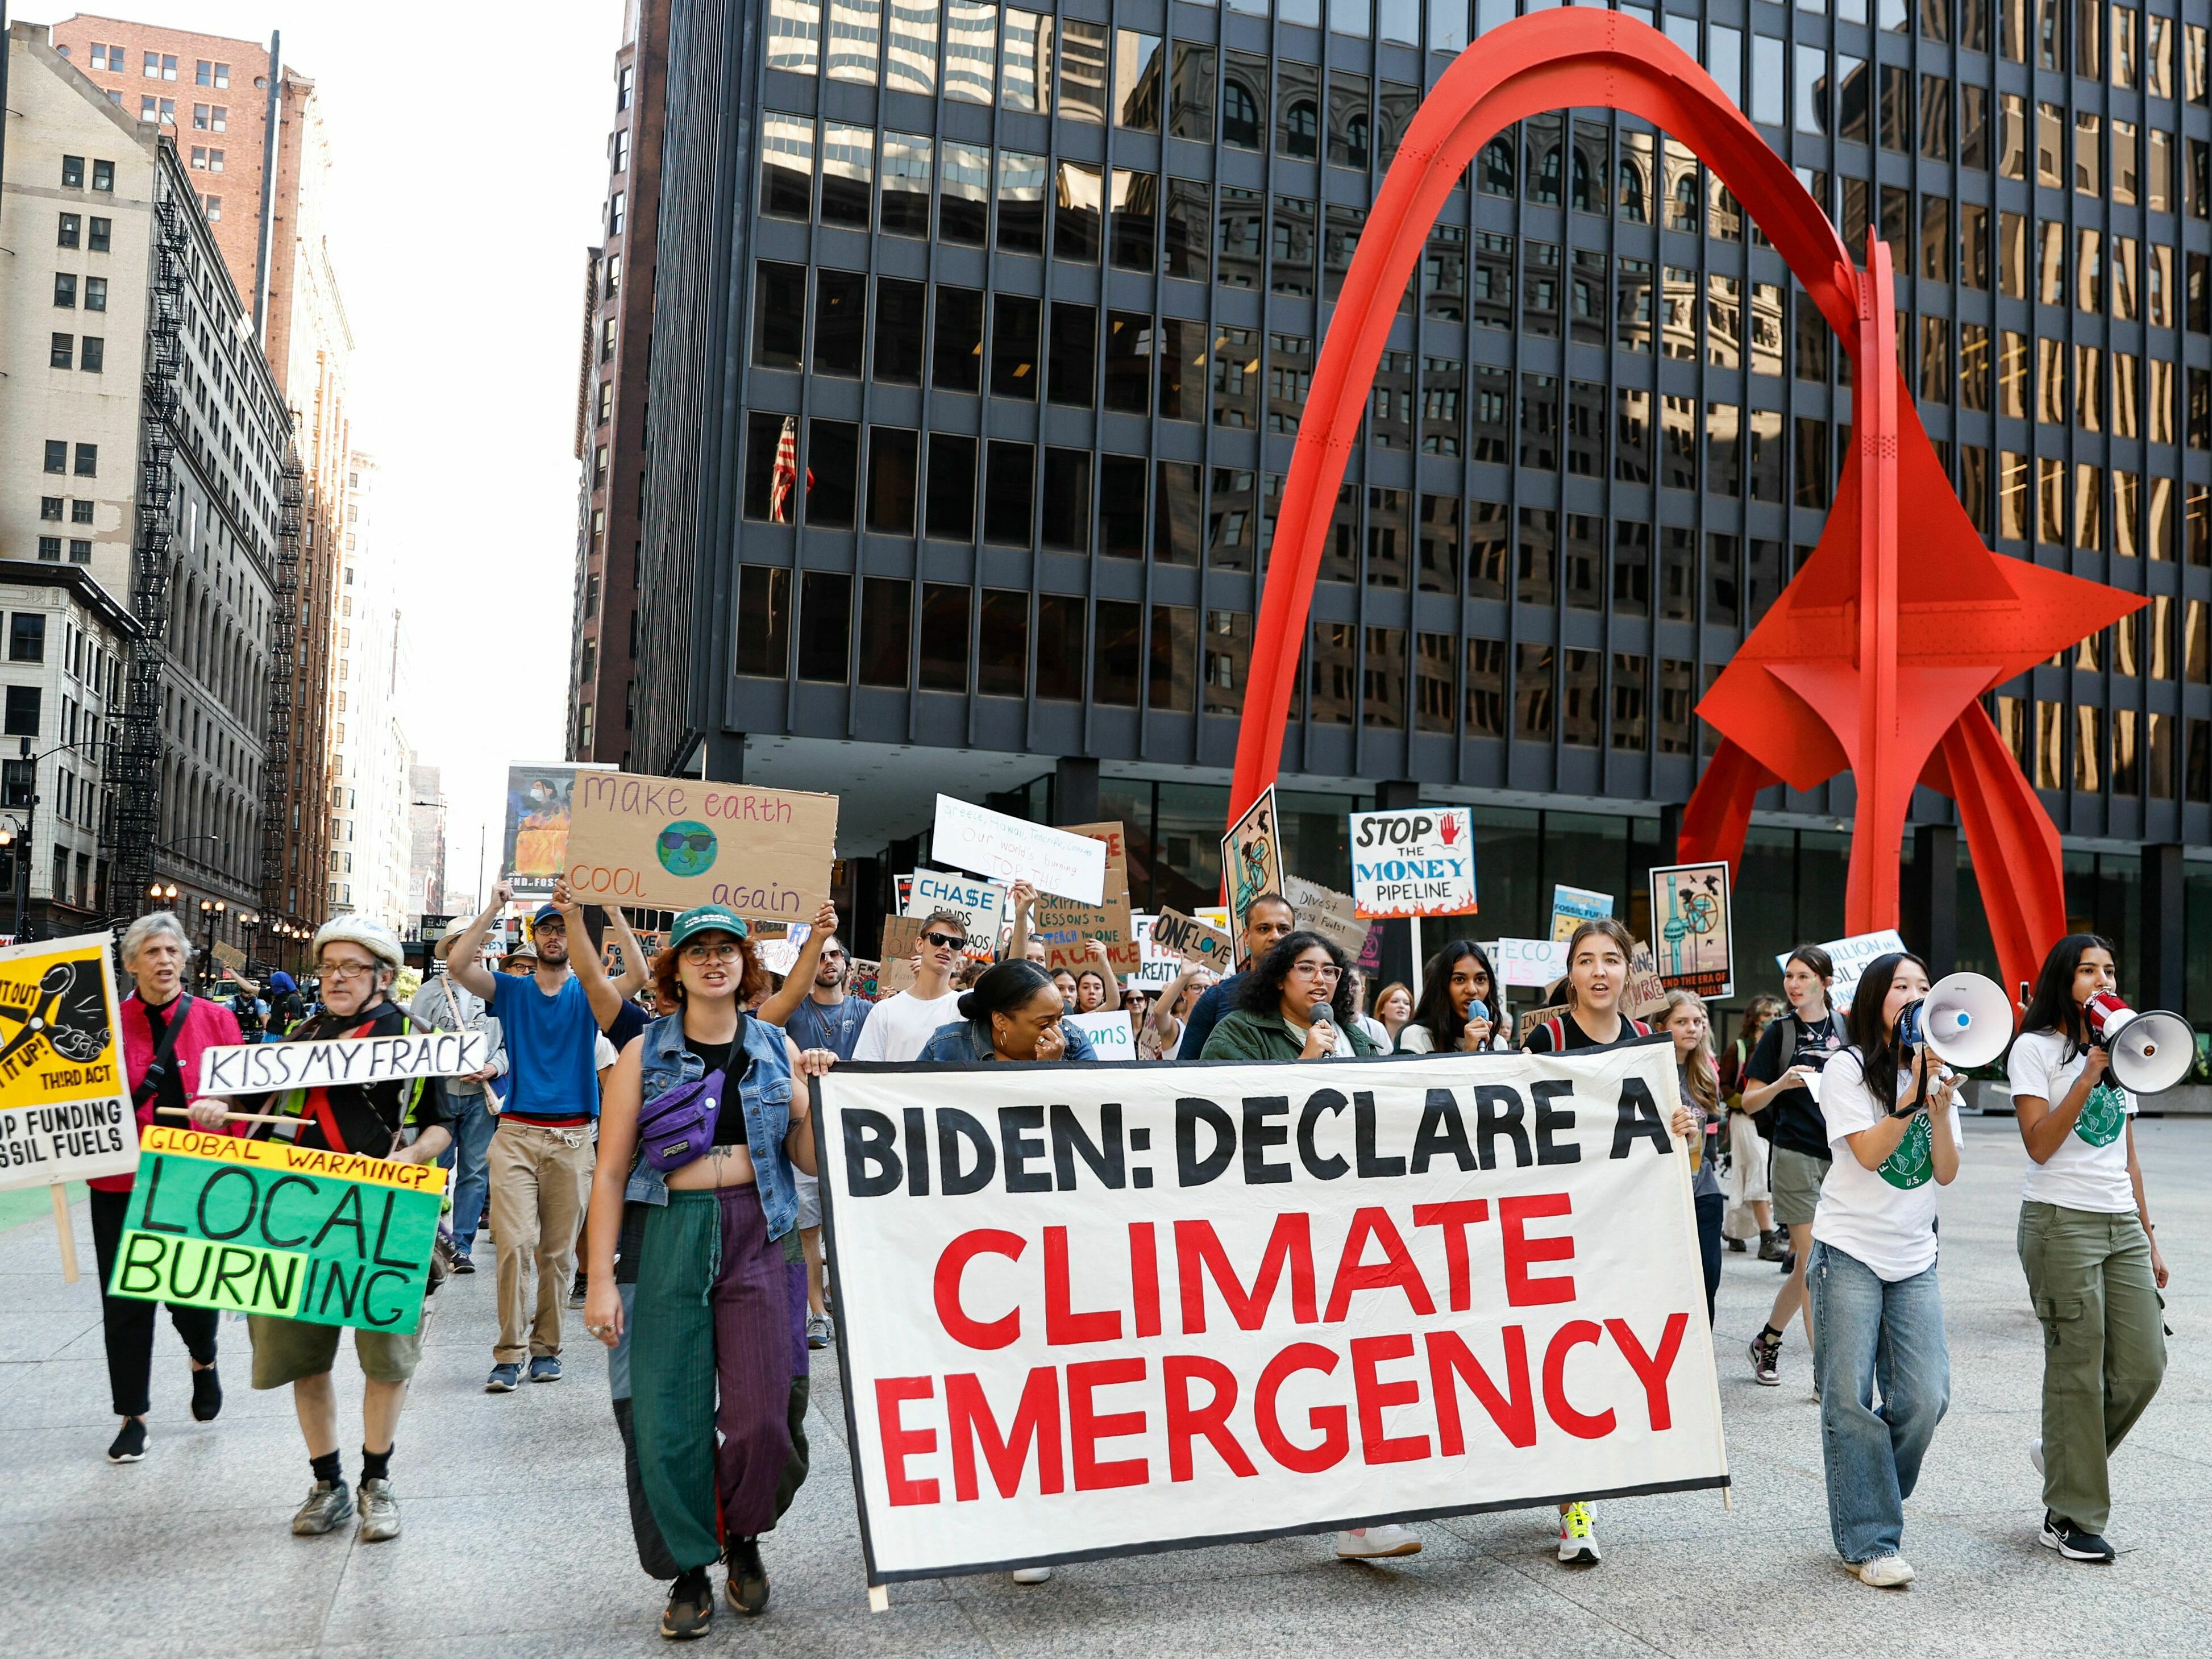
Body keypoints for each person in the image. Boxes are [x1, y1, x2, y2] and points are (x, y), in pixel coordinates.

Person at [583, 904, 828, 1635]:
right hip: (666, 1233)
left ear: (745, 966)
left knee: (765, 1414)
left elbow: (810, 1162)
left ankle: (742, 1536)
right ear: (677, 969)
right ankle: (690, 1567)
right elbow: (608, 1172)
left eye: (727, 950)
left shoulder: (777, 1046)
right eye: (698, 952)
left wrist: (806, 1101)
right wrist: (599, 1280)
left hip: (764, 1229)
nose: (713, 961)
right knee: (666, 1418)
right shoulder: (642, 1054)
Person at [196, 914, 455, 1542]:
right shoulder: (299, 1034)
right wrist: (215, 1109)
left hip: (380, 1217)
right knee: (303, 1357)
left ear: (383, 978)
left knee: (386, 1360)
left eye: (352, 968)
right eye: (329, 967)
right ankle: (327, 1482)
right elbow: (246, 1103)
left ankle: (376, 1481)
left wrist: (412, 1157)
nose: (336, 978)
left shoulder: (413, 1038)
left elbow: (444, 1125)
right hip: (298, 1218)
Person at [2008, 933, 2169, 1564]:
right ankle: (2070, 1517)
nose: (2101, 981)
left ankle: (2063, 1457)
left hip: (2119, 1224)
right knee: (2077, 1371)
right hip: (2059, 1222)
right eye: (2087, 972)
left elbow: (2125, 1156)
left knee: (2142, 1366)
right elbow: (2039, 1143)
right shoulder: (2035, 1050)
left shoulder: (2126, 1053)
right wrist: (2087, 1074)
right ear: (2061, 980)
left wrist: (2148, 1237)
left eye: (2109, 970)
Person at [1807, 951, 1962, 1588]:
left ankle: (1868, 1499)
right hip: (1848, 1249)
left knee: (1927, 1399)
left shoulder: (1940, 1068)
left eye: (1924, 986)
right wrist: (1907, 1099)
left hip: (1913, 1255)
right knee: (1849, 1400)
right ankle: (1869, 1540)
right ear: (1875, 1000)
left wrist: (1940, 1102)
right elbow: (1870, 1154)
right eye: (1902, 986)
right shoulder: (1844, 1069)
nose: (1916, 995)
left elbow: (1946, 1170)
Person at [89, 913, 244, 1463]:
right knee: (125, 1297)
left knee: (192, 1293)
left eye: (171, 950)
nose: (163, 960)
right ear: (131, 964)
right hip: (121, 1181)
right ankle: (133, 1414)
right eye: (151, 951)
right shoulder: (104, 1025)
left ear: (185, 959)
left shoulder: (216, 1020)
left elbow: (246, 1097)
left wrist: (223, 1109)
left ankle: (203, 1358)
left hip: (193, 1178)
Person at [1520, 917, 1650, 1567]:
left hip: (1617, 1226)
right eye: (1586, 961)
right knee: (1554, 1353)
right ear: (1569, 973)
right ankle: (1572, 1498)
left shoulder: (1645, 1042)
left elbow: (1662, 1142)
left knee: (1597, 1358)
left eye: (1611, 960)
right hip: (1550, 1225)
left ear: (1629, 972)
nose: (1599, 971)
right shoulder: (1546, 1036)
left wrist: (1679, 1124)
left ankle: (1579, 1485)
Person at [442, 880, 607, 1391]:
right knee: (514, 1243)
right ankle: (510, 1352)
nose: (555, 936)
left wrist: (607, 914)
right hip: (516, 1131)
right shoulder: (511, 991)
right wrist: (495, 904)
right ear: (534, 938)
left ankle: (547, 1348)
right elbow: (458, 966)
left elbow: (642, 978)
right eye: (547, 929)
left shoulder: (590, 993)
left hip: (574, 1138)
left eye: (562, 928)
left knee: (558, 1254)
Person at [755, 903, 864, 1350]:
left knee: (854, 1226)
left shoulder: (870, 1012)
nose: (829, 962)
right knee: (807, 1228)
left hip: (858, 1136)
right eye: (821, 956)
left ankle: (850, 1301)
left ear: (848, 967)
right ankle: (817, 1312)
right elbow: (768, 1025)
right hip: (804, 1134)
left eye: (836, 955)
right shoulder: (789, 1012)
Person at [1739, 945, 1846, 1387]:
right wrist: (1783, 1082)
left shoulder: (1847, 1027)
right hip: (1794, 1153)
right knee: (1815, 1260)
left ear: (1826, 981)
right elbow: (1748, 1100)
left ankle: (1768, 1339)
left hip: (1841, 1154)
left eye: (1804, 976)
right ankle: (1827, 1374)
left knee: (1809, 1264)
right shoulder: (1779, 1033)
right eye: (1790, 977)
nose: (1794, 985)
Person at [409, 932, 508, 1274]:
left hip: (483, 1096)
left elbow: (512, 1044)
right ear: (452, 950)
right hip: (442, 1095)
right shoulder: (429, 992)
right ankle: (432, 1239)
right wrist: (446, 1066)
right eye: (470, 942)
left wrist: (495, 1066)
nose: (479, 948)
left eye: (481, 943)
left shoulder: (499, 991)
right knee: (436, 1169)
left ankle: (461, 1247)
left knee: (476, 1171)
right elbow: (413, 1044)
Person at [1201, 932, 1383, 1061]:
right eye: (1306, 969)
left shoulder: (1360, 1041)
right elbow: (1233, 1106)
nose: (1320, 979)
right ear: (1280, 979)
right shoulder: (1237, 1033)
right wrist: (1305, 1061)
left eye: (1329, 971)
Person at [1663, 989, 1725, 1320]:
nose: (1692, 1029)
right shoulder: (1653, 1074)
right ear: (1662, 1025)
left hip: (1704, 1191)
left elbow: (1711, 1128)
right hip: (1665, 1194)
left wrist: (1709, 1165)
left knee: (1708, 1280)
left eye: (1698, 1022)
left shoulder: (1705, 1073)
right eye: (1682, 1022)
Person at [1174, 893, 1298, 1058]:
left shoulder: (1309, 995)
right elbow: (1187, 1068)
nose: (1275, 936)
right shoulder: (1217, 998)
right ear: (1246, 937)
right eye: (1264, 929)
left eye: (1284, 929)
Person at [853, 910, 970, 1062]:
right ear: (920, 944)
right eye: (938, 939)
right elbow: (865, 1073)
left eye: (955, 943)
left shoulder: (966, 1009)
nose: (947, 947)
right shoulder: (885, 1010)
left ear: (960, 953)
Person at [1719, 995, 1785, 1257]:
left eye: (1777, 1013)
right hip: (1745, 1119)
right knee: (1757, 1168)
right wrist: (1747, 1103)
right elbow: (1724, 1086)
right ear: (1756, 1018)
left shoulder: (1780, 1046)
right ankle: (1767, 1237)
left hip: (1772, 1120)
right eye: (1768, 1014)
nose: (1773, 1018)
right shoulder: (1739, 1048)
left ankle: (1734, 1230)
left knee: (1747, 1173)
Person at [1396, 943, 1505, 1053]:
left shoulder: (1498, 1044)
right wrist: (1468, 1054)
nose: (1472, 990)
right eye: (1460, 979)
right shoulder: (1416, 1036)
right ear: (1442, 986)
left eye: (1480, 979)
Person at [1138, 964, 1212, 1059]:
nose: (1203, 992)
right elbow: (1160, 1012)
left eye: (1209, 989)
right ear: (1184, 994)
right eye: (1197, 988)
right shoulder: (1176, 1028)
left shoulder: (1219, 1028)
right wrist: (1184, 976)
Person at [1345, 968, 1390, 1049]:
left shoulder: (1376, 1028)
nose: (1350, 989)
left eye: (1355, 984)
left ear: (1363, 990)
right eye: (1345, 984)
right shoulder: (1331, 1027)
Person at [1371, 980, 1415, 1049]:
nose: (1401, 1006)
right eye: (1395, 1002)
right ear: (1382, 1008)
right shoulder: (1372, 1037)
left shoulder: (1415, 1040)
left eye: (1407, 1003)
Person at [265, 968, 304, 1037]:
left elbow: (294, 1024)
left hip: (282, 1037)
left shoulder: (293, 999)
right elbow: (250, 988)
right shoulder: (275, 995)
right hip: (271, 1034)